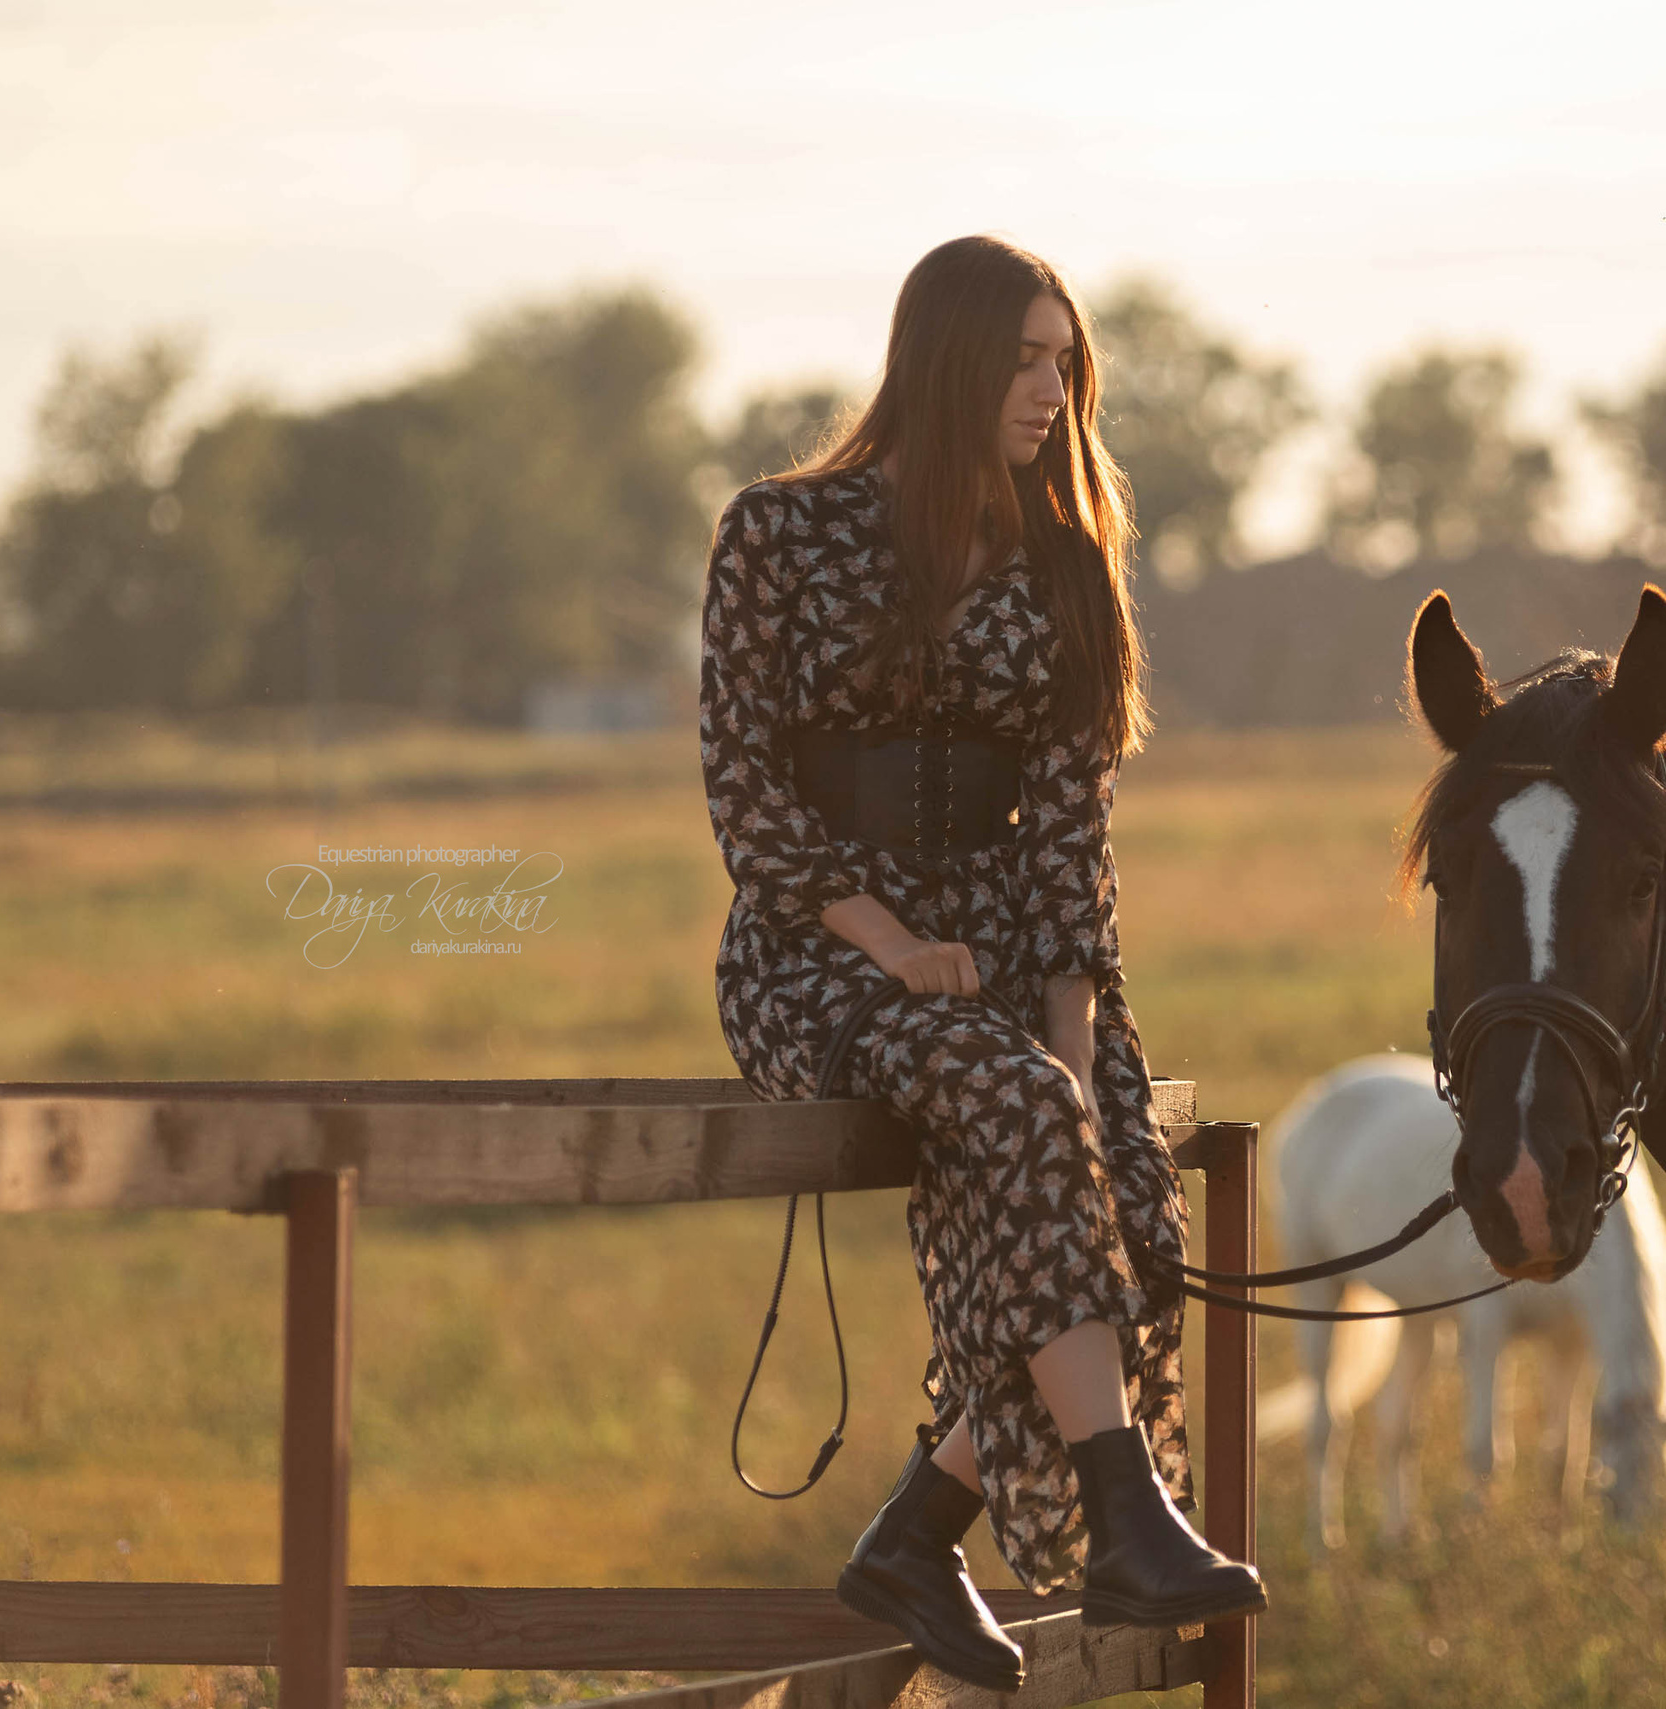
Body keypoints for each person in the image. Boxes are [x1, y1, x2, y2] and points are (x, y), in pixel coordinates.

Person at [698, 234, 1264, 1692]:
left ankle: (916, 1528)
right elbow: (742, 780)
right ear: (946, 360)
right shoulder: (780, 531)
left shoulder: (1067, 558)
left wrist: (1073, 1036)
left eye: (1063, 358)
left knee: (1123, 1197)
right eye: (1023, 355)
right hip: (813, 947)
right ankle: (1129, 1515)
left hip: (1015, 950)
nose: (1050, 386)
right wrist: (883, 940)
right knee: (1022, 1118)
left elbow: (1074, 827)